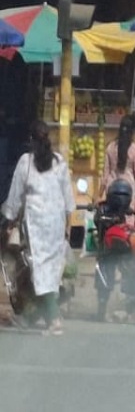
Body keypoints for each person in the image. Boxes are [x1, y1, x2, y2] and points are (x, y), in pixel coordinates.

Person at [0, 121, 73, 335]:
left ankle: (53, 319)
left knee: (39, 271)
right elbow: (68, 200)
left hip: (36, 225)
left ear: (31, 141)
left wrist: (8, 219)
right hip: (56, 225)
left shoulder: (26, 162)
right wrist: (68, 228)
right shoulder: (59, 161)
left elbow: (14, 197)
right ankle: (35, 316)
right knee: (47, 272)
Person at [101, 116, 135, 218]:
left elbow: (105, 176)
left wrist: (99, 195)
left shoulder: (110, 147)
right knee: (127, 227)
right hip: (128, 194)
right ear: (133, 131)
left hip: (111, 192)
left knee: (111, 221)